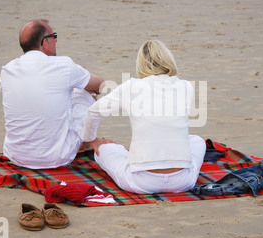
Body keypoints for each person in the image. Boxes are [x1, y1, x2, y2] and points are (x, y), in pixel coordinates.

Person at [82, 40, 206, 194]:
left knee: (104, 148)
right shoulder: (186, 86)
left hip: (141, 182)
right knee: (197, 141)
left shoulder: (131, 86)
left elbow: (93, 111)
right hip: (182, 181)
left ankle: (116, 152)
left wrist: (91, 140)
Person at [0, 19, 104, 169]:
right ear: (45, 42)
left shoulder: (7, 69)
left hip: (15, 156)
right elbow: (100, 85)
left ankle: (79, 141)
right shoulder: (63, 65)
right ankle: (85, 142)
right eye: (54, 35)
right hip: (55, 158)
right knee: (85, 93)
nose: (56, 40)